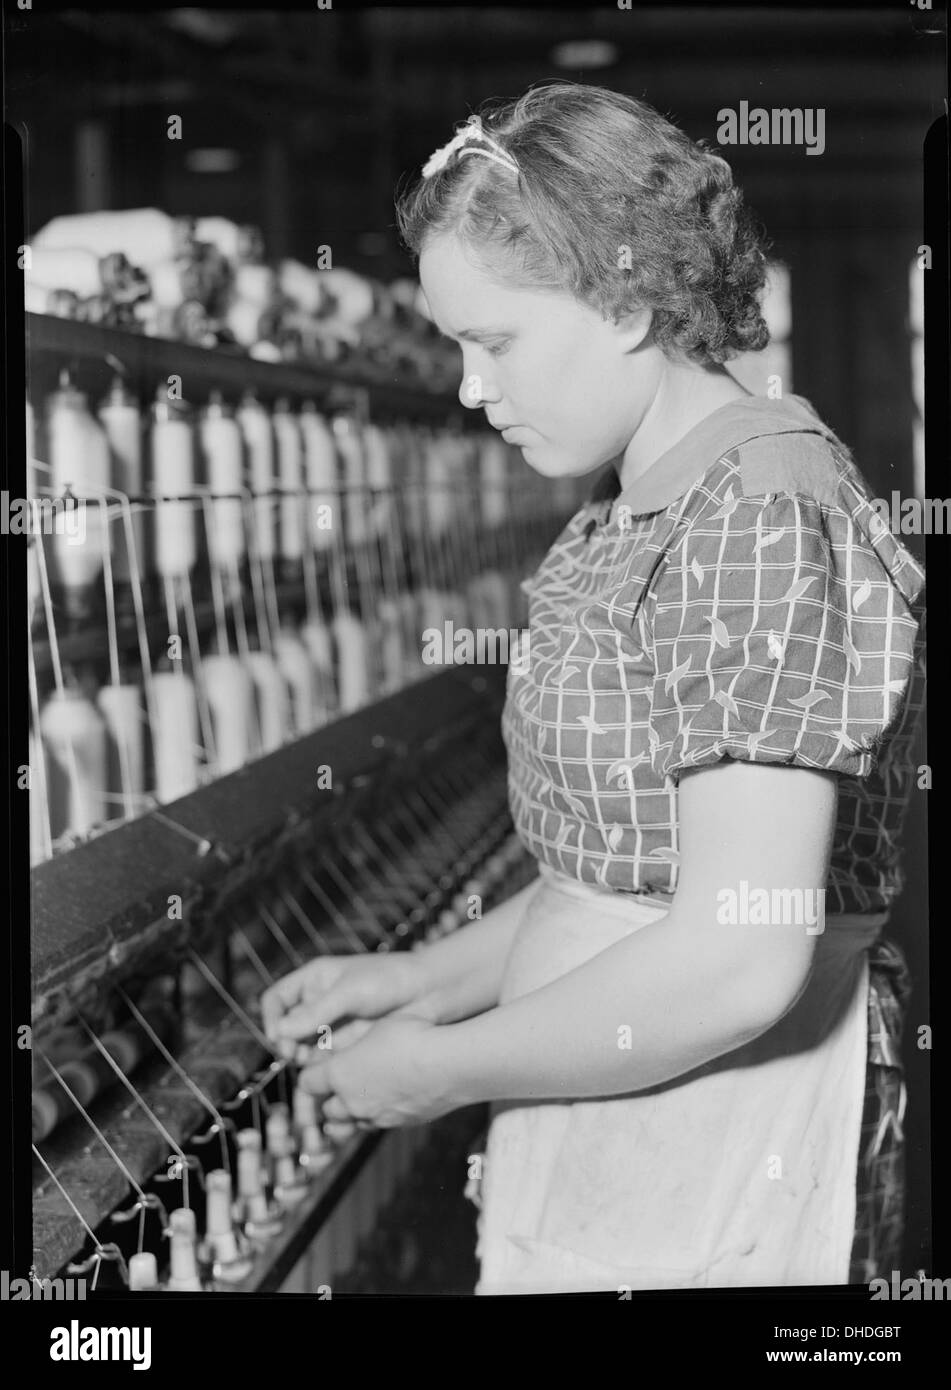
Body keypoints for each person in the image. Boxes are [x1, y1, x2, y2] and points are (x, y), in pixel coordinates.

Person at [262, 83, 926, 1294]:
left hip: (737, 1134)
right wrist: (423, 983)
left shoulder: (756, 516)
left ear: (625, 298)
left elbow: (736, 957)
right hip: (644, 1120)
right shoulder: (635, 506)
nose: (468, 389)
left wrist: (445, 1068)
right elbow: (623, 884)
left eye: (496, 341)